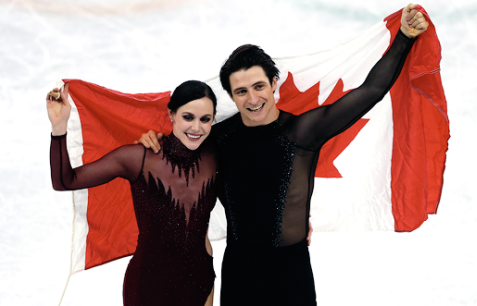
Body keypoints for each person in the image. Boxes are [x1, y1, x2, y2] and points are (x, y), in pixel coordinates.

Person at [138, 4, 429, 305]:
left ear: (274, 83)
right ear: (229, 95)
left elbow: (371, 90)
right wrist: (154, 139)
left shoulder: (303, 132)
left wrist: (405, 36)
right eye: (241, 92)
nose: (252, 99)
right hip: (240, 272)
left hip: (292, 273)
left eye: (259, 86)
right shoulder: (217, 137)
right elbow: (175, 149)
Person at [48, 80, 219, 306]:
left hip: (200, 281)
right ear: (172, 114)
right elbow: (65, 181)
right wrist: (59, 128)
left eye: (205, 119)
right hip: (149, 285)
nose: (196, 127)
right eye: (188, 117)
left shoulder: (215, 156)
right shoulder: (139, 157)